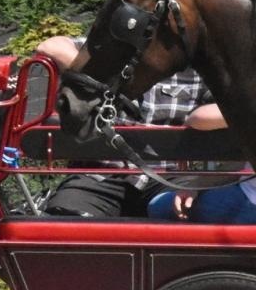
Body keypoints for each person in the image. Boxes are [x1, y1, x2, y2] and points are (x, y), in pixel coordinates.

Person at [35, 34, 213, 217]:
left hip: (167, 179)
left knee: (198, 215)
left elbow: (226, 104)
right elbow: (51, 45)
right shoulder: (112, 50)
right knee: (62, 224)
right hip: (99, 176)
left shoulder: (194, 66)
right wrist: (95, 77)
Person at [146, 103, 256, 223]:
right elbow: (198, 117)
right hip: (243, 195)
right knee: (160, 205)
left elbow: (198, 117)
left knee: (160, 207)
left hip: (247, 204)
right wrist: (197, 186)